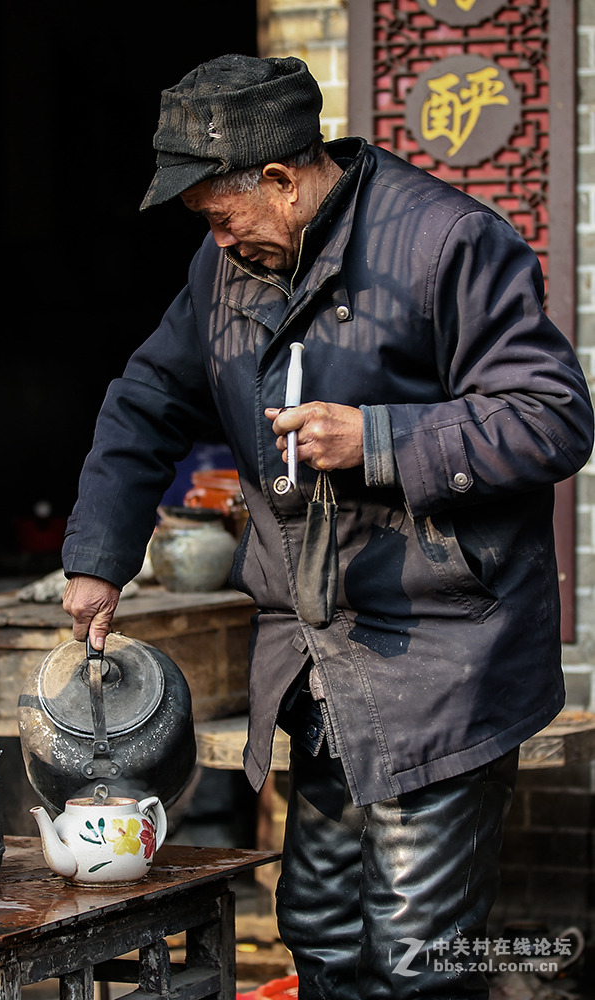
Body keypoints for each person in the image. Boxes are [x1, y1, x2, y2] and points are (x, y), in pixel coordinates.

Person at [61, 53, 595, 999]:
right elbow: (145, 400)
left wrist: (379, 439)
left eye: (222, 217)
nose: (217, 242)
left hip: (442, 654)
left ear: (280, 179)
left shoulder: (446, 242)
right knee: (321, 936)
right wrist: (100, 558)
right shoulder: (225, 268)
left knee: (414, 961)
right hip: (319, 661)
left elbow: (553, 414)